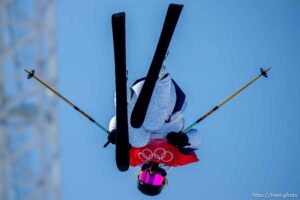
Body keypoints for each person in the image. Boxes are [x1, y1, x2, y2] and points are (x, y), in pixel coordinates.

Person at [107, 68, 201, 196]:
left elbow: (118, 119)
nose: (151, 173)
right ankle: (161, 72)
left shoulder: (133, 158)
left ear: (139, 175)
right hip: (168, 100)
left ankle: (122, 86)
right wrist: (184, 140)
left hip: (138, 94)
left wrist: (116, 131)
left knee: (138, 140)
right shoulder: (175, 160)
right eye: (154, 180)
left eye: (145, 177)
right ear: (164, 180)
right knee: (154, 122)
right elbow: (197, 139)